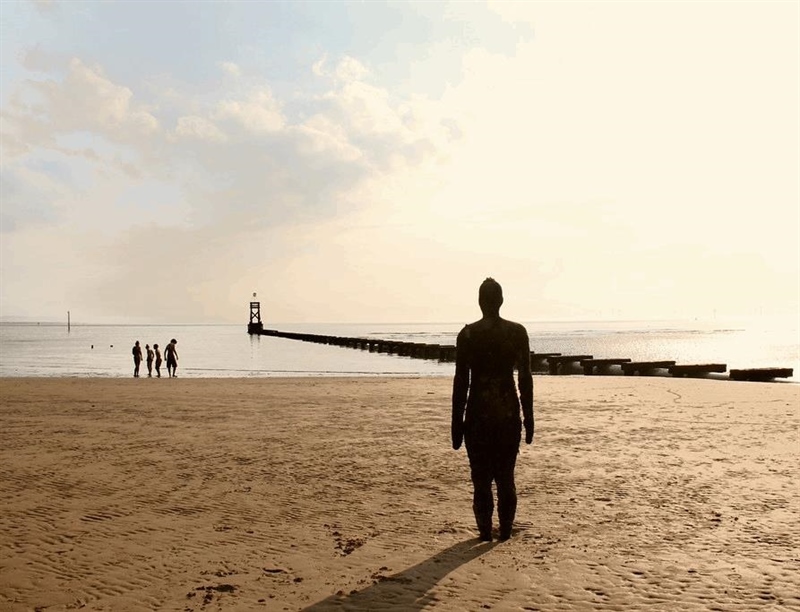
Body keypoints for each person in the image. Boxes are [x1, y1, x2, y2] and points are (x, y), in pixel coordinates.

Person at [451, 278, 534, 541]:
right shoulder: (516, 332)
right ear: (500, 301)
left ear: (480, 301)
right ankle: (505, 531)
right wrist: (529, 417)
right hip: (508, 415)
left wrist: (456, 422)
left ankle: (486, 532)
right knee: (506, 477)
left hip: (477, 417)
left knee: (481, 480)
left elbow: (461, 381)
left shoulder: (469, 335)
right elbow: (525, 379)